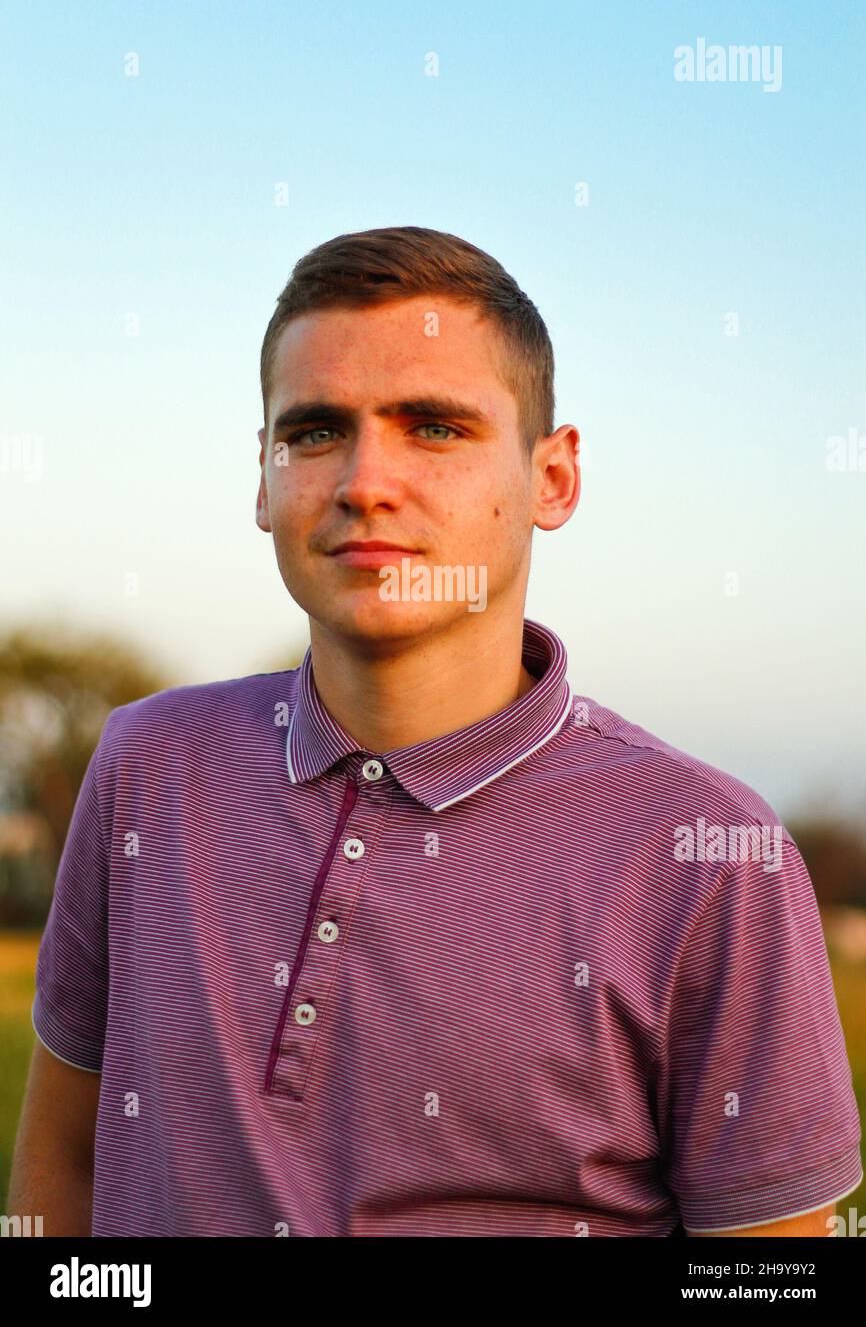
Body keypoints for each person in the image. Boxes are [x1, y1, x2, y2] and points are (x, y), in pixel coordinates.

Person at [8, 226, 862, 1236]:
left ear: (552, 478)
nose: (366, 480)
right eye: (317, 429)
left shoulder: (709, 852)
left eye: (434, 427)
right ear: (262, 479)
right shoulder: (147, 764)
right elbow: (63, 1164)